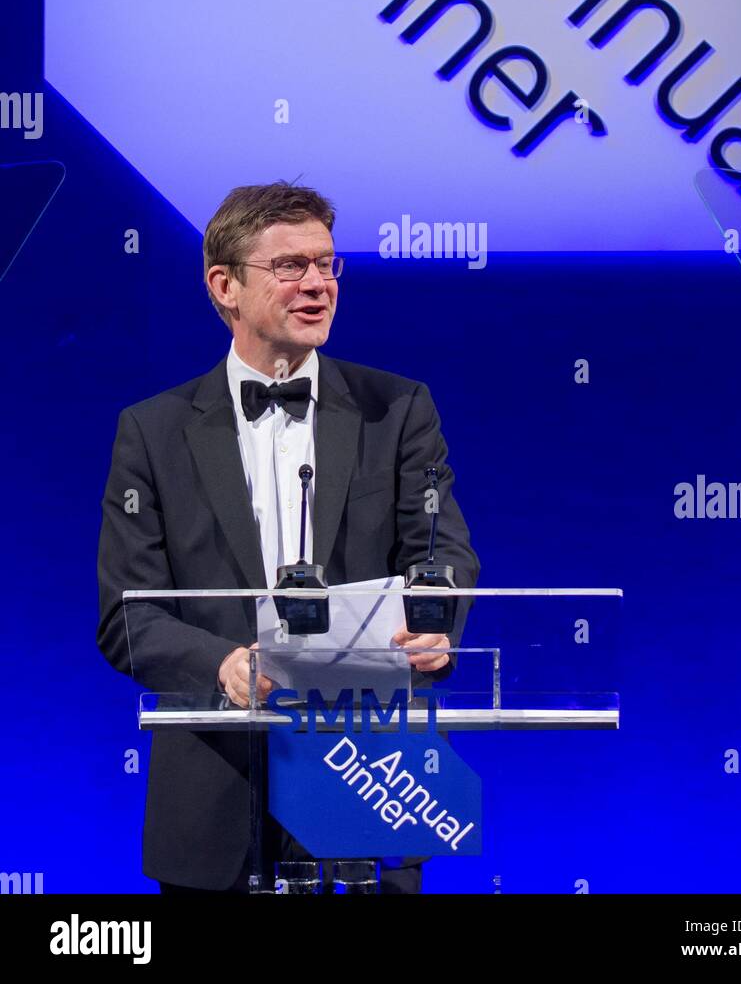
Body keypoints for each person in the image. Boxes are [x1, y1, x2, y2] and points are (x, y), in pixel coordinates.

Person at [96, 180, 480, 894]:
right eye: (291, 267)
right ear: (224, 286)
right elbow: (129, 614)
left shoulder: (397, 409)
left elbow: (440, 554)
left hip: (370, 777)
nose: (318, 285)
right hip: (216, 796)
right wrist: (222, 666)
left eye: (328, 264)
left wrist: (433, 622)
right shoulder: (151, 432)